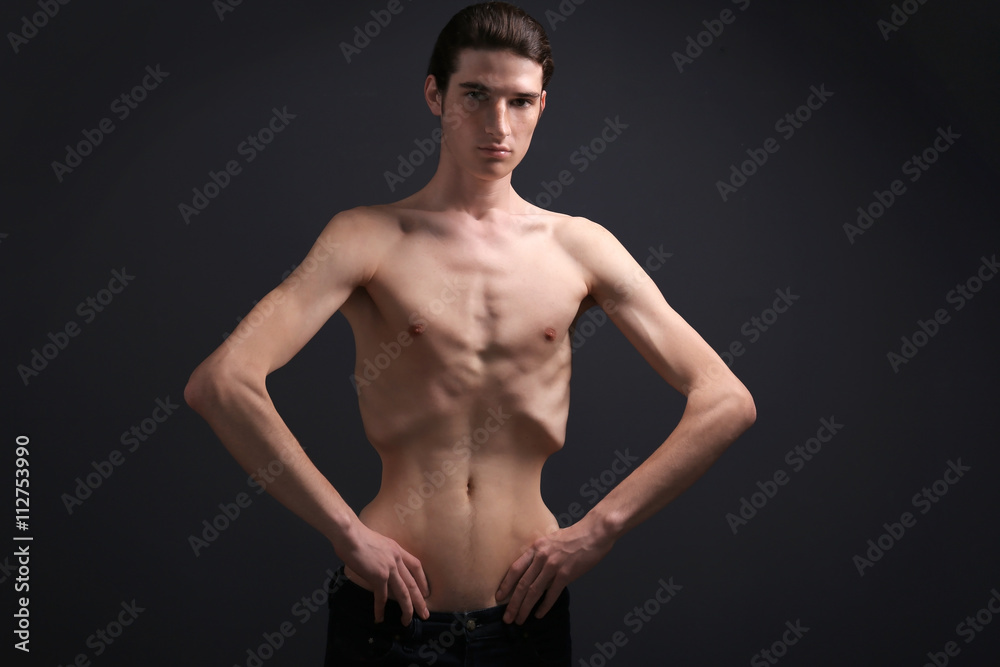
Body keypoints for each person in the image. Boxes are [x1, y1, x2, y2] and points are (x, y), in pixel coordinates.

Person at [184, 2, 756, 664]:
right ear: (436, 95)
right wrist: (345, 532)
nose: (497, 125)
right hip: (389, 616)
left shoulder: (579, 247)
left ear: (542, 105)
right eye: (476, 96)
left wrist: (601, 528)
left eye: (519, 101)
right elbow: (221, 383)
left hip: (525, 618)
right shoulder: (368, 236)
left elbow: (725, 400)